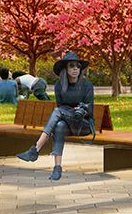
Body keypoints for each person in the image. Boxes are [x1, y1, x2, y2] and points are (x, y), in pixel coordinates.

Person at [18, 50, 96, 180]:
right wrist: (69, 112)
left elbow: (90, 109)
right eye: (72, 66)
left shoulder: (87, 86)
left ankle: (35, 149)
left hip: (83, 125)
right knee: (59, 125)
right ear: (65, 69)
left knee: (57, 111)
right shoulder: (59, 86)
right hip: (67, 123)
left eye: (78, 66)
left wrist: (82, 110)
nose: (75, 69)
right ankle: (57, 168)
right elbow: (61, 106)